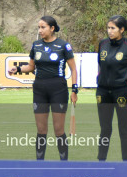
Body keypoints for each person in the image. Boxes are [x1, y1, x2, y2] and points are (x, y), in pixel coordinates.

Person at [8, 16, 77, 161]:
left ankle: (64, 164)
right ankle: (40, 164)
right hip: (39, 89)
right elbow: (31, 66)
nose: (40, 30)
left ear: (52, 28)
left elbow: (73, 69)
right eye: (39, 27)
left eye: (43, 27)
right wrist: (18, 68)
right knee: (41, 130)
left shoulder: (64, 45)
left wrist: (75, 90)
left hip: (58, 89)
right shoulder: (36, 45)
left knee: (59, 130)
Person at [96, 15, 127, 162]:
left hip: (122, 92)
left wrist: (126, 82)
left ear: (122, 29)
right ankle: (101, 160)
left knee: (123, 128)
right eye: (108, 28)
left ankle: (126, 162)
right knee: (105, 128)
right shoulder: (102, 44)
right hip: (103, 92)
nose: (109, 31)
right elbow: (100, 64)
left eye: (113, 28)